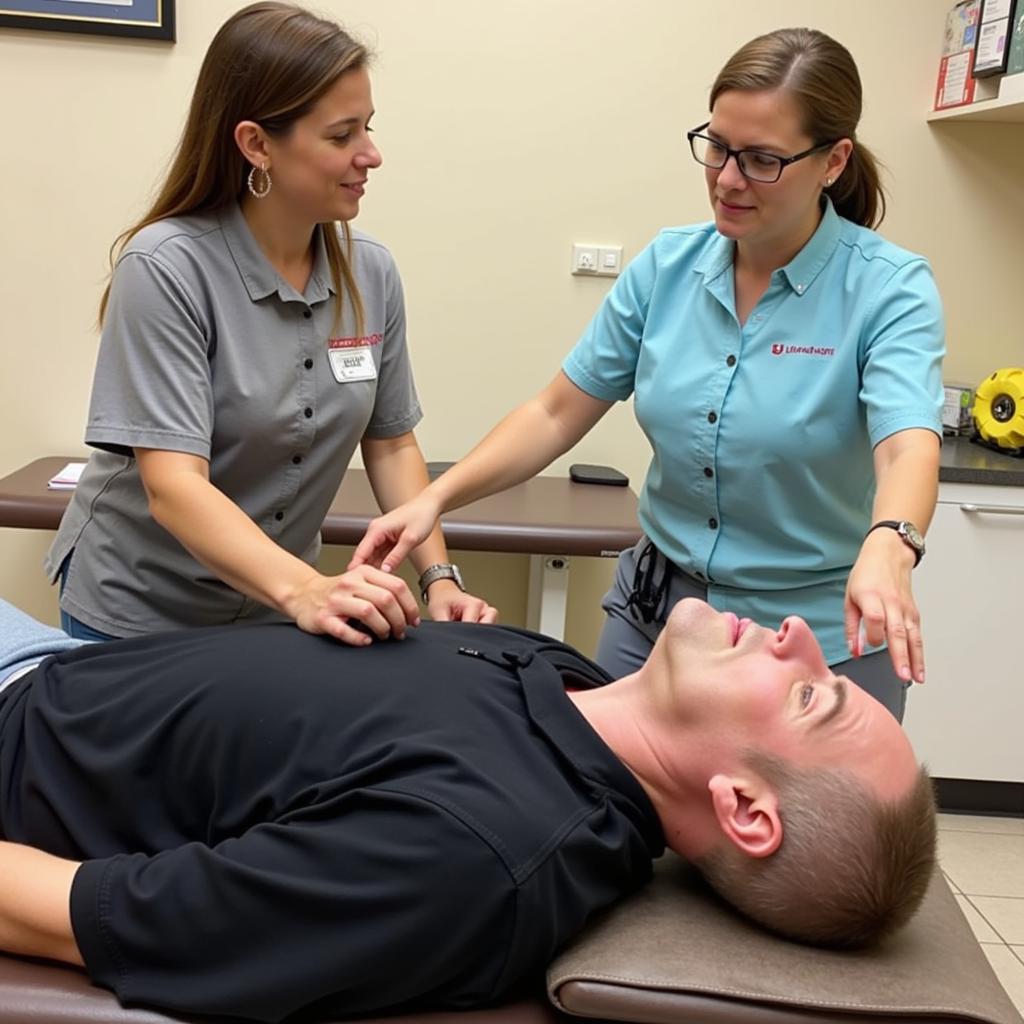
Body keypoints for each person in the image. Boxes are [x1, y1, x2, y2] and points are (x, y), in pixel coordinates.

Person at [350, 27, 945, 723]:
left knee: (799, 834)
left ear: (833, 161)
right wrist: (436, 500)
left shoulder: (888, 289)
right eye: (717, 147)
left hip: (817, 645)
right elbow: (556, 411)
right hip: (658, 622)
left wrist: (891, 542)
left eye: (761, 160)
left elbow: (906, 443)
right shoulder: (668, 267)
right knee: (618, 817)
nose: (726, 178)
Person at [0, 596, 936, 1023]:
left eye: (810, 694)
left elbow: (107, 918)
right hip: (51, 657)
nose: (801, 638)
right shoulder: (576, 688)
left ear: (744, 811)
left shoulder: (472, 858)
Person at [43, 2, 494, 644]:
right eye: (342, 136)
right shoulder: (167, 268)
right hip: (139, 613)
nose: (372, 155)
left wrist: (439, 577)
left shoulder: (371, 274)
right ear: (257, 144)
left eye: (368, 128)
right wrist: (305, 588)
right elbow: (173, 486)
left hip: (273, 611)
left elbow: (391, 442)